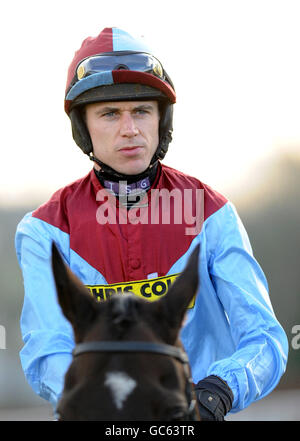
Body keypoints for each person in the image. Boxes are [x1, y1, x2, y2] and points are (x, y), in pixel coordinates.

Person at [15, 27, 288, 420]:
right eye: (110, 113)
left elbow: (266, 339)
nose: (130, 129)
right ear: (83, 127)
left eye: (141, 111)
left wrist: (217, 392)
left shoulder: (212, 212)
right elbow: (48, 349)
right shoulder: (43, 230)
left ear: (162, 119)